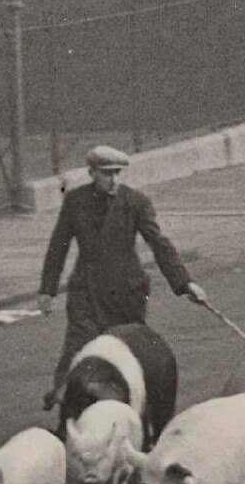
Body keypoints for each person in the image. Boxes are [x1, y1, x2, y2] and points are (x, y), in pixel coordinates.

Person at [39, 143, 204, 402]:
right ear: (92, 173)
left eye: (118, 173)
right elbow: (58, 246)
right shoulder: (75, 202)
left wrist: (185, 283)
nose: (114, 180)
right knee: (78, 346)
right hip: (87, 290)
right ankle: (66, 401)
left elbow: (158, 243)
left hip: (126, 292)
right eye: (107, 173)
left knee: (129, 349)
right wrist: (47, 290)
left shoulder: (136, 202)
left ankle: (139, 403)